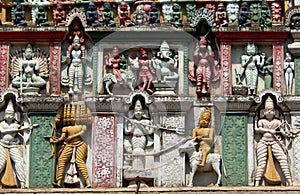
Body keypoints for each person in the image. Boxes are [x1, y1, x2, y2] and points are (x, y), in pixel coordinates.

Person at [254, 96, 292, 186]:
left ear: (275, 112)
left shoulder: (277, 122)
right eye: (267, 110)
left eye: (271, 110)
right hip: (263, 142)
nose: (269, 112)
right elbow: (257, 130)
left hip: (275, 141)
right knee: (261, 162)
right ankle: (257, 182)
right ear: (263, 112)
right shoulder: (262, 121)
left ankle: (289, 180)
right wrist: (268, 130)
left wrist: (287, 134)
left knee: (283, 159)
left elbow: (282, 132)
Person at [53, 104, 91, 188]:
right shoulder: (66, 128)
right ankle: (59, 182)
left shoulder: (81, 126)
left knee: (80, 161)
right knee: (61, 161)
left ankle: (87, 182)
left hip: (80, 144)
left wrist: (71, 137)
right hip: (68, 145)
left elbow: (82, 133)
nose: (73, 117)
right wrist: (56, 141)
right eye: (71, 115)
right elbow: (62, 137)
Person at [0, 99, 31, 188]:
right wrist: (16, 130)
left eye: (11, 114)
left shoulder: (16, 125)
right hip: (2, 144)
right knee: (1, 163)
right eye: (7, 114)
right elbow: (2, 131)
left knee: (19, 162)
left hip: (13, 145)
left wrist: (26, 125)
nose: (9, 116)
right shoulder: (2, 124)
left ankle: (22, 183)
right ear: (4, 115)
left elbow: (24, 129)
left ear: (14, 116)